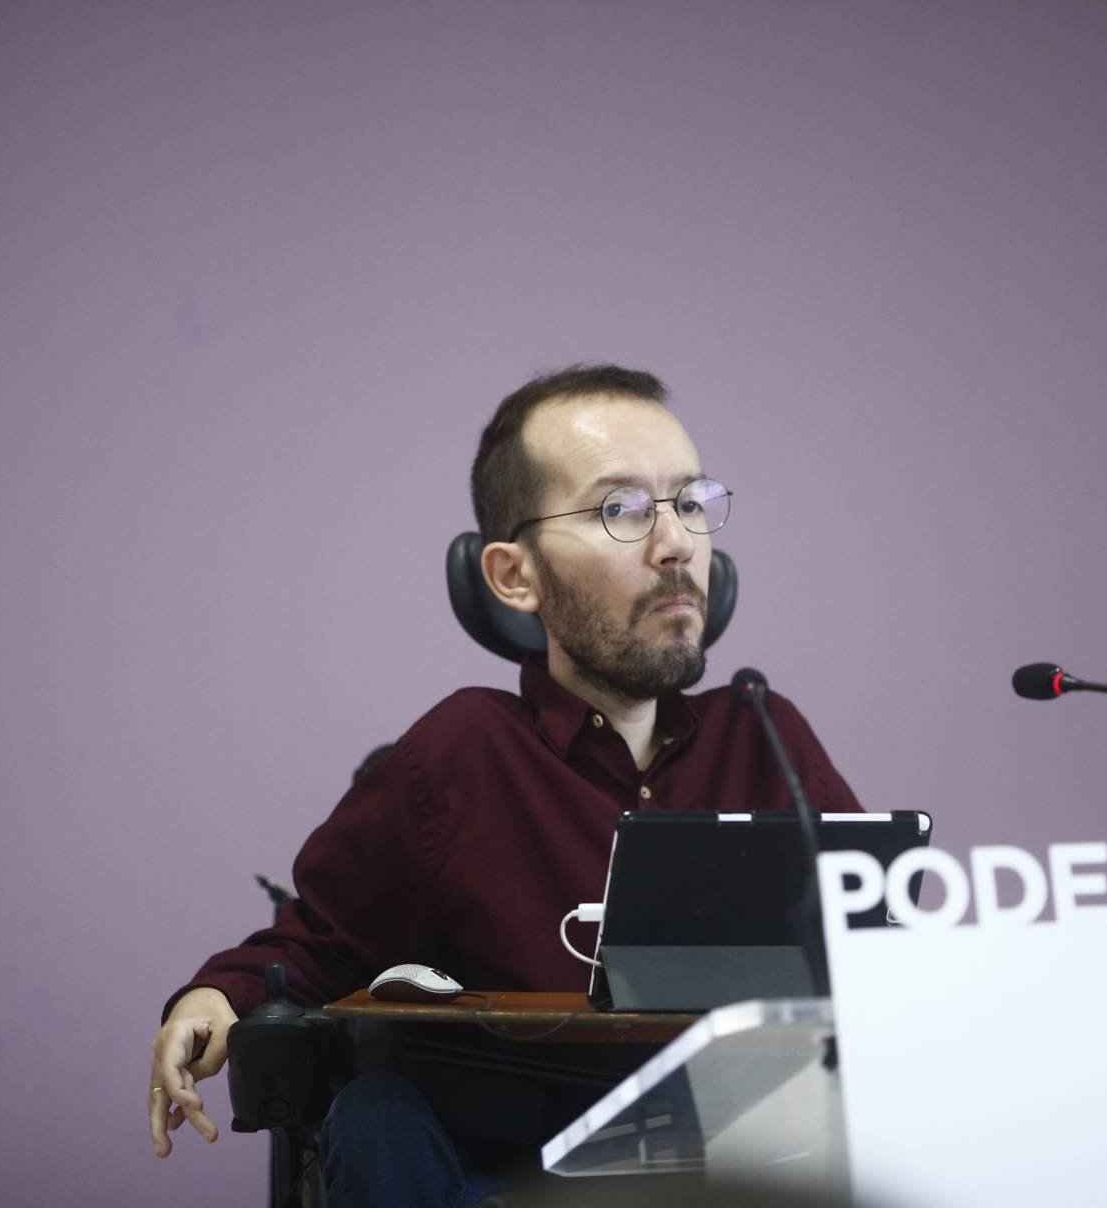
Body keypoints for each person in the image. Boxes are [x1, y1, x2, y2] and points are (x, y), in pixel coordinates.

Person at [147, 365, 861, 1206]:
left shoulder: (763, 736)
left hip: (735, 1168)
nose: (676, 545)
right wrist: (210, 997)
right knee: (376, 1111)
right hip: (519, 1170)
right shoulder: (457, 755)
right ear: (514, 576)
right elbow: (309, 951)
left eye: (691, 503)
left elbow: (883, 958)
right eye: (623, 510)